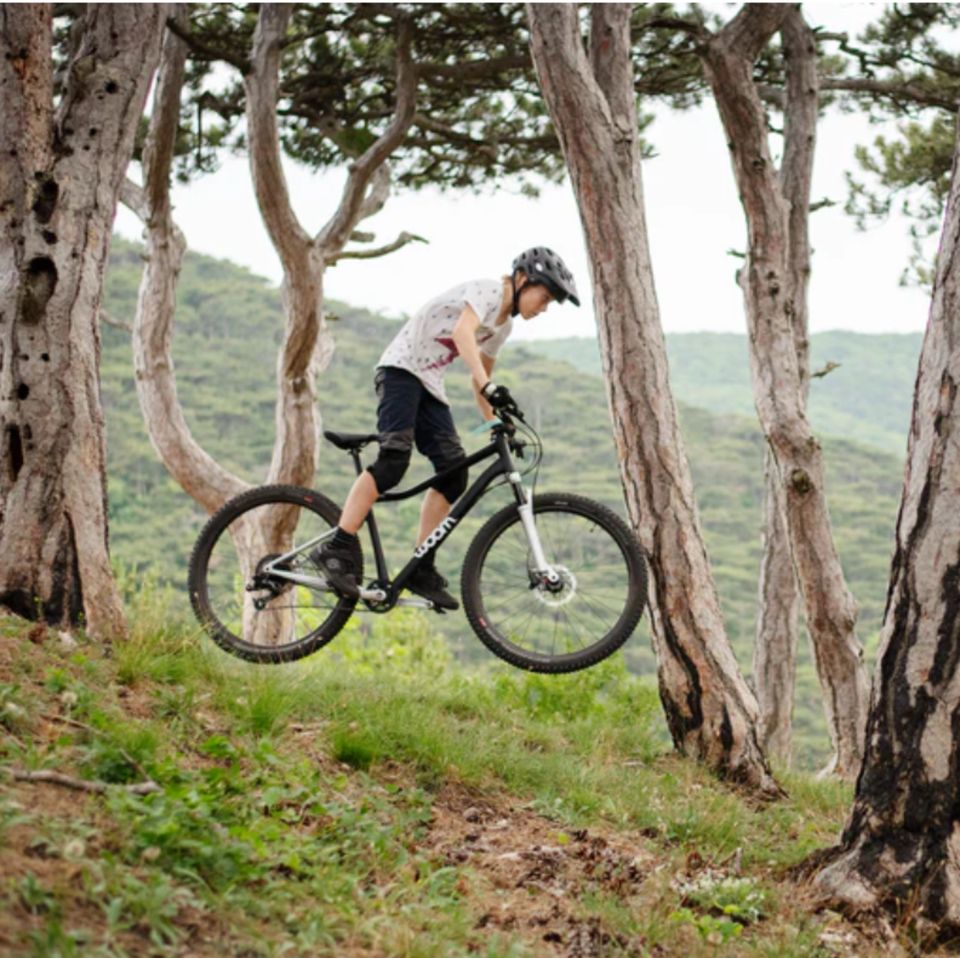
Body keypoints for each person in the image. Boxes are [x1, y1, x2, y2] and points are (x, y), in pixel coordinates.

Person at [316, 247, 580, 610]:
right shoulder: (489, 292)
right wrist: (487, 385)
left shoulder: (503, 327)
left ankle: (421, 566)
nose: (544, 307)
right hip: (400, 371)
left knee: (455, 473)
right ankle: (337, 548)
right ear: (522, 280)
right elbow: (462, 334)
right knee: (393, 461)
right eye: (545, 297)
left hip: (429, 384)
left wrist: (495, 423)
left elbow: (479, 379)